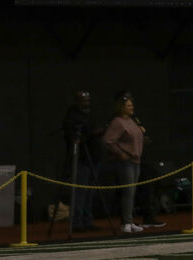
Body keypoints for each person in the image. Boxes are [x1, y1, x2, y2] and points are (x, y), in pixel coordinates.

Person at [103, 94, 147, 233]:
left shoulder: (131, 120)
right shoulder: (118, 122)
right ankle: (126, 222)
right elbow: (108, 140)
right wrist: (119, 152)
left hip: (135, 160)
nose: (131, 107)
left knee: (132, 192)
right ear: (122, 107)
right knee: (128, 191)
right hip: (125, 161)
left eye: (131, 105)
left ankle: (130, 220)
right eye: (129, 105)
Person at [61, 90, 102, 232]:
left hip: (93, 157)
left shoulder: (88, 115)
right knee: (80, 191)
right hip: (82, 158)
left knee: (90, 192)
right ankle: (77, 222)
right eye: (83, 101)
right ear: (77, 101)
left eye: (88, 100)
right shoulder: (72, 117)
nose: (86, 103)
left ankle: (87, 219)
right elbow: (74, 136)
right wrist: (91, 133)